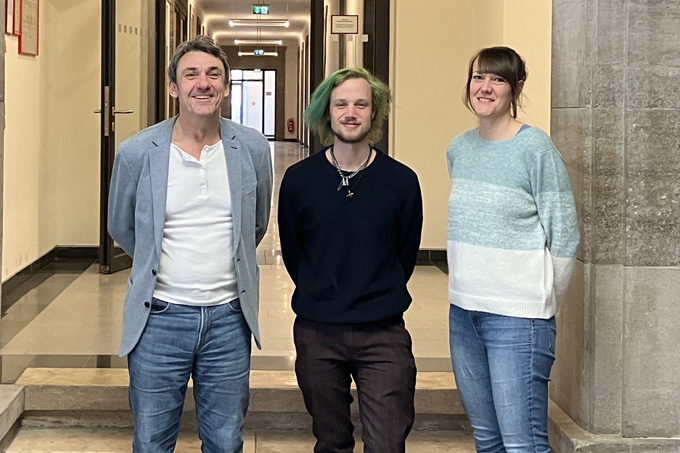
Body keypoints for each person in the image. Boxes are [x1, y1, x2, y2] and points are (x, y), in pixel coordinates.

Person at [108, 35, 272, 452]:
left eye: (214, 74)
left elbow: (254, 225)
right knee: (152, 441)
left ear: (226, 85)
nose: (204, 83)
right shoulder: (137, 152)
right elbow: (122, 226)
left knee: (224, 440)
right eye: (192, 74)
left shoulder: (251, 147)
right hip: (159, 319)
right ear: (173, 86)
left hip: (228, 320)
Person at [278, 67, 423, 453]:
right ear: (327, 112)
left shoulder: (402, 181)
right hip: (317, 332)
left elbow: (404, 254)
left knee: (388, 443)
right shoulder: (299, 179)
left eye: (361, 103)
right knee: (331, 441)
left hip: (383, 333)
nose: (351, 112)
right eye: (341, 103)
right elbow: (295, 253)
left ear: (375, 113)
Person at [446, 46, 580, 452]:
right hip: (464, 313)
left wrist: (540, 299)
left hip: (519, 320)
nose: (485, 87)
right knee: (487, 439)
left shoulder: (535, 148)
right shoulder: (459, 148)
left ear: (516, 88)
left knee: (522, 443)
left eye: (498, 79)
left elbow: (565, 233)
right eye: (478, 77)